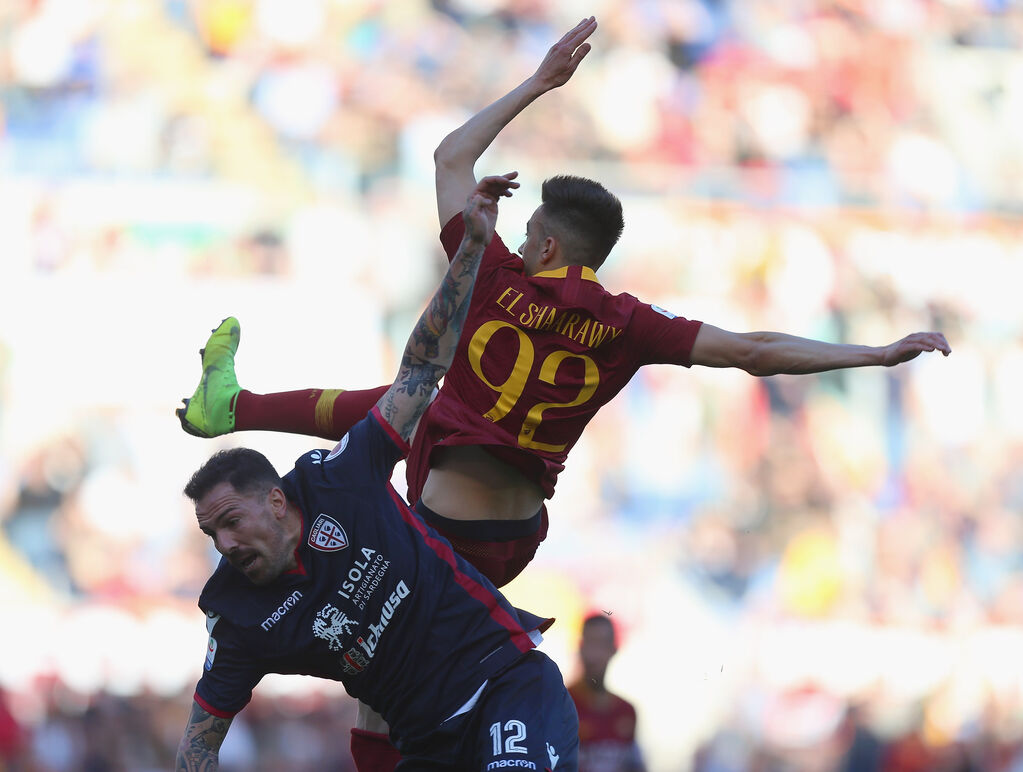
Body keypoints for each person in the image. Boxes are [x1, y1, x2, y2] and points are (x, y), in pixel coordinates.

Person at [176, 16, 951, 771]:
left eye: (528, 233)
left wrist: (540, 83)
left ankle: (233, 410)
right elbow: (754, 351)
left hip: (442, 530)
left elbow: (451, 157)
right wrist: (873, 352)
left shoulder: (490, 274)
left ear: (541, 243)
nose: (516, 241)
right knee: (407, 409)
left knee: (380, 643)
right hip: (514, 538)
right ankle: (232, 409)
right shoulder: (628, 324)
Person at [175, 174, 580, 772]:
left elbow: (419, 372)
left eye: (231, 521)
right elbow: (198, 746)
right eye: (213, 535)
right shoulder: (240, 620)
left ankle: (239, 404)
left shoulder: (341, 479)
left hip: (503, 684)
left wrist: (470, 251)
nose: (225, 543)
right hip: (427, 747)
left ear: (278, 502)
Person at [568, 614, 645, 772]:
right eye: (590, 643)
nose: (594, 654)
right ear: (580, 648)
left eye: (601, 644)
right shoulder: (563, 704)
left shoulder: (627, 711)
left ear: (613, 650)